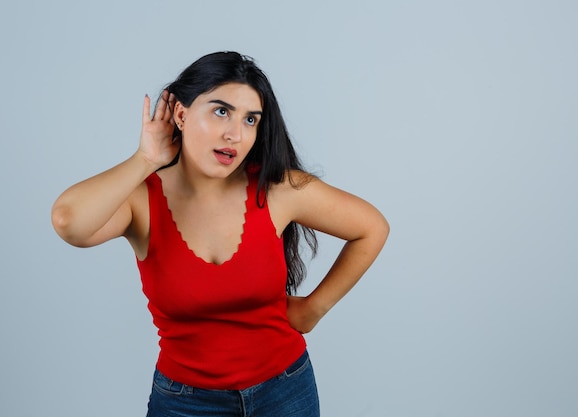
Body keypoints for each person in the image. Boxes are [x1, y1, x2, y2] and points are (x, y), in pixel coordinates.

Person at [51, 51, 389, 417]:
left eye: (250, 120)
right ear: (180, 114)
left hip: (286, 391)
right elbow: (70, 222)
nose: (235, 134)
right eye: (221, 111)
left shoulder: (276, 189)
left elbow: (371, 228)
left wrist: (312, 310)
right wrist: (145, 159)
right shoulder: (141, 199)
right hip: (185, 402)